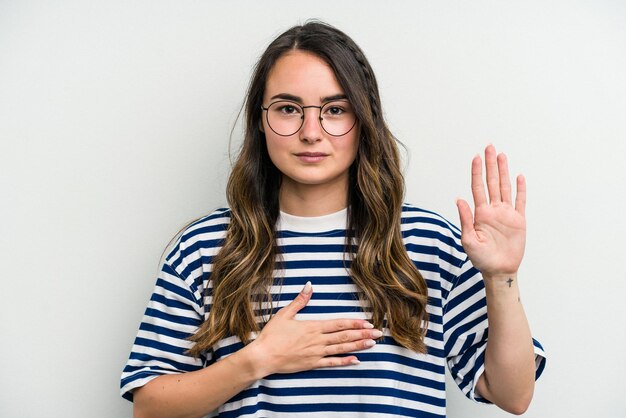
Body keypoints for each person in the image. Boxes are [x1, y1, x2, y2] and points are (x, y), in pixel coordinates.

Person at [120, 21, 546, 418]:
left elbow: (512, 395)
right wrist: (257, 360)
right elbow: (149, 406)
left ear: (364, 120)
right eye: (288, 108)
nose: (311, 131)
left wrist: (502, 278)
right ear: (261, 121)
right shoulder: (206, 246)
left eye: (335, 109)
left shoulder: (428, 241)